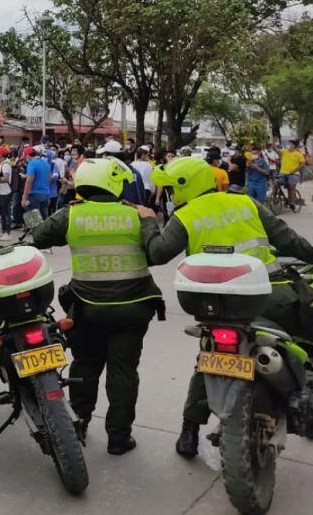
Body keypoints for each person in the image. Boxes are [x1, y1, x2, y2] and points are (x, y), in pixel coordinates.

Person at [143, 156, 313, 457]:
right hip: (269, 295)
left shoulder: (186, 216)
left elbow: (157, 254)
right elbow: (287, 240)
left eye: (171, 189)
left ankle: (189, 432)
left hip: (217, 306)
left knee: (209, 357)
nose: (169, 195)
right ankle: (303, 399)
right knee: (305, 334)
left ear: (185, 186)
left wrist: (147, 222)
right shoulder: (246, 203)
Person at [32, 158, 163, 455]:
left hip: (87, 309)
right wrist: (150, 220)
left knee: (85, 366)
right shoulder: (136, 215)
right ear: (114, 183)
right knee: (124, 372)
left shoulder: (71, 215)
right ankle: (119, 438)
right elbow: (156, 253)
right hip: (132, 308)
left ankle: (77, 427)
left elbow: (38, 237)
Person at [21, 147, 51, 219]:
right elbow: (49, 177)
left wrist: (24, 198)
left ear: (27, 155)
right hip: (46, 194)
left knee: (34, 221)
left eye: (25, 157)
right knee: (44, 219)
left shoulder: (31, 163)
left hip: (34, 195)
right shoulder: (45, 163)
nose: (25, 159)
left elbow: (29, 181)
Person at [278, 139, 306, 210]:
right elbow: (276, 150)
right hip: (283, 173)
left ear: (294, 146)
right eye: (288, 144)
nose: (289, 145)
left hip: (294, 174)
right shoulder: (284, 151)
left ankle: (292, 202)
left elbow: (302, 164)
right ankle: (276, 200)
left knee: (291, 185)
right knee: (277, 184)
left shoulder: (298, 154)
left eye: (290, 144)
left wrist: (294, 170)